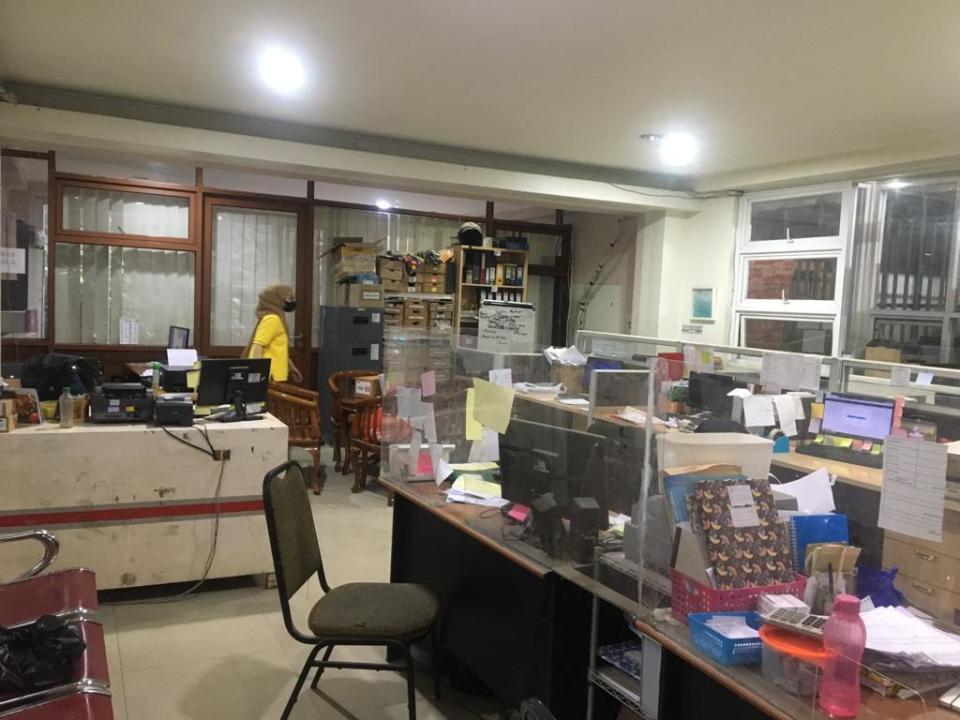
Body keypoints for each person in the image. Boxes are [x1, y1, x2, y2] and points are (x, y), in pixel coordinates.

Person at [243, 283, 303, 383]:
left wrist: (290, 366)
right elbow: (257, 346)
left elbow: (278, 348)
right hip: (269, 377)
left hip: (273, 376)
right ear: (277, 299)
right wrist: (255, 376)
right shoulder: (272, 319)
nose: (292, 301)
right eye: (290, 298)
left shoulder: (276, 318)